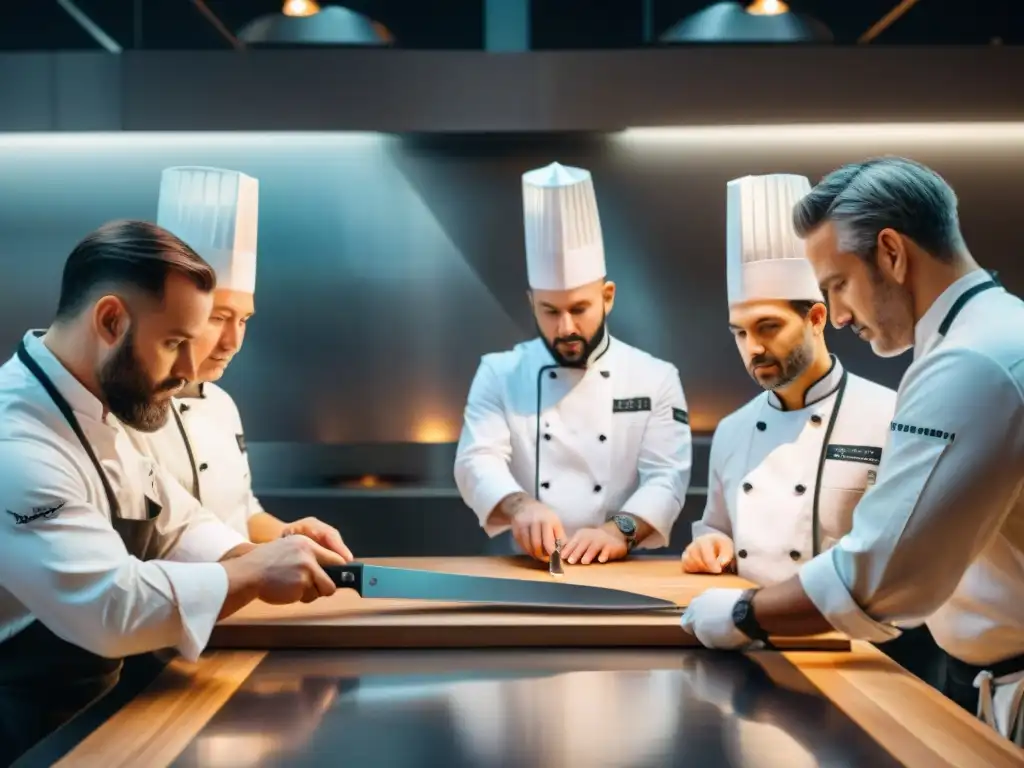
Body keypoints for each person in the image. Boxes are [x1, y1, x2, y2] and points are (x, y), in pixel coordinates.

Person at [680, 157, 1024, 744]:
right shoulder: (992, 332)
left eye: (838, 286)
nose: (838, 315)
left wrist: (738, 616)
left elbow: (881, 575)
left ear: (891, 253)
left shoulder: (969, 363)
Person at [0, 220, 348, 766]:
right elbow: (111, 607)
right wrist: (253, 573)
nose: (188, 369)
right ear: (111, 320)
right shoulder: (15, 440)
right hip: (20, 732)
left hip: (89, 719)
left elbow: (175, 520)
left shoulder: (99, 406)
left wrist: (266, 553)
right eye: (174, 343)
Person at [454, 161, 692, 563]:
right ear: (532, 302)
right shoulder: (498, 372)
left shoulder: (655, 377)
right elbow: (477, 459)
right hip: (521, 566)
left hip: (621, 565)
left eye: (579, 308)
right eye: (549, 311)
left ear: (608, 296)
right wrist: (520, 506)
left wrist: (620, 530)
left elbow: (667, 475)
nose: (565, 327)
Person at [126, 166, 352, 554]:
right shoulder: (119, 411)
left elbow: (241, 512)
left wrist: (287, 535)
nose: (232, 342)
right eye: (216, 317)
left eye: (244, 320)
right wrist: (263, 563)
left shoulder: (222, 405)